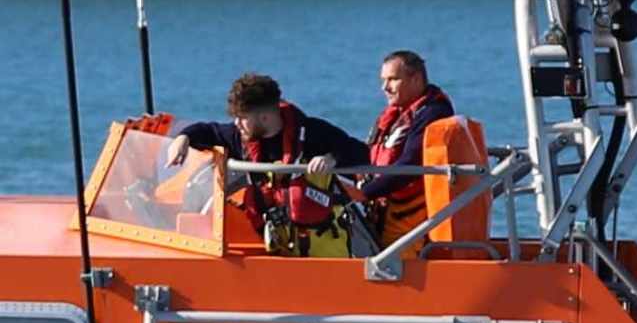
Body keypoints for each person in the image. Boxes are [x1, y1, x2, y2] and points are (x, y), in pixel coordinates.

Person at [166, 73, 369, 257]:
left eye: (242, 118)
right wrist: (184, 138)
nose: (236, 123)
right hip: (274, 246)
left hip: (321, 248)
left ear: (265, 117)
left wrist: (331, 158)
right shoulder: (239, 137)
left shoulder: (312, 133)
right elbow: (208, 131)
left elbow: (360, 152)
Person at [360, 50, 454, 250]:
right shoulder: (396, 113)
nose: (385, 87)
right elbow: (369, 152)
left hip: (409, 221)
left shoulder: (434, 113)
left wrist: (364, 193)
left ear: (416, 79)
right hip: (383, 209)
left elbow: (410, 163)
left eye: (393, 79)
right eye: (383, 80)